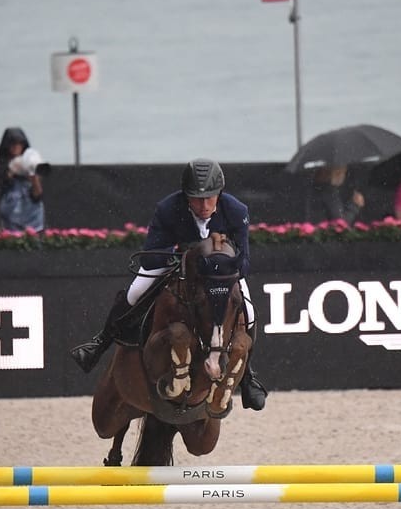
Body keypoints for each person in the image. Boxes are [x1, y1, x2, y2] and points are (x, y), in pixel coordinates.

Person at [71, 157, 268, 411]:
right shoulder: (168, 208)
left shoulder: (236, 211)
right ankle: (100, 343)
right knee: (135, 292)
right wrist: (183, 252)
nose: (204, 205)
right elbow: (152, 256)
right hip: (175, 265)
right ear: (186, 196)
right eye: (197, 198)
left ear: (220, 193)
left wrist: (222, 259)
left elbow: (245, 263)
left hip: (219, 273)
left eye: (210, 197)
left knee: (249, 311)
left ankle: (248, 376)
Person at [0, 126, 47, 232]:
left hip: (30, 216)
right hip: (8, 216)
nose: (16, 147)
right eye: (12, 143)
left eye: (20, 143)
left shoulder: (30, 163)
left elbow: (37, 195)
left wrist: (34, 179)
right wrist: (10, 172)